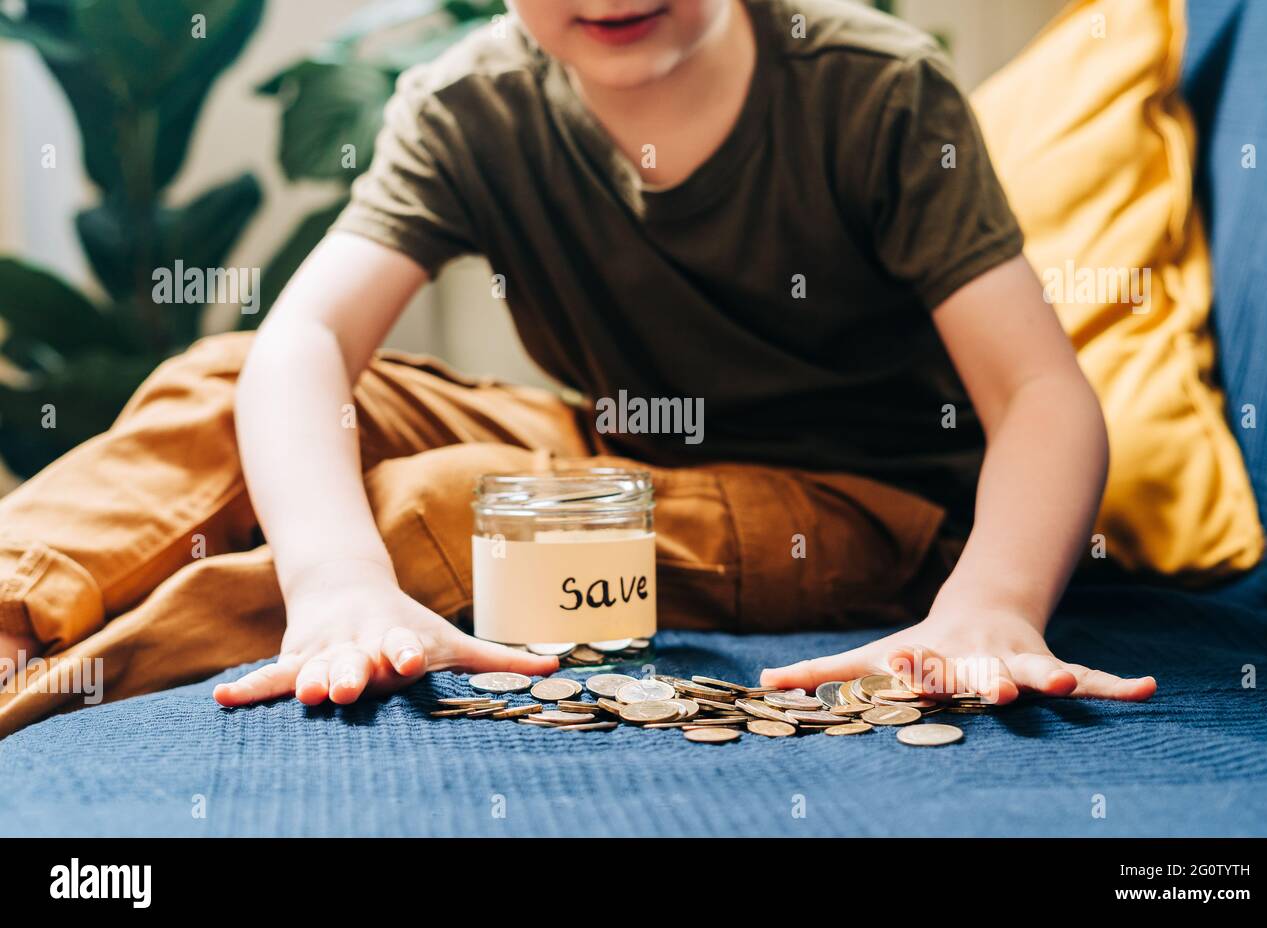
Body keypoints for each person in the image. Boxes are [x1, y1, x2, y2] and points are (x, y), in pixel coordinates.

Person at [0, 0, 1154, 729]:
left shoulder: (876, 88)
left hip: (857, 504)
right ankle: (11, 612)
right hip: (621, 446)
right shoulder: (467, 103)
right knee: (229, 370)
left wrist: (993, 604)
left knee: (458, 510)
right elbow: (306, 342)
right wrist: (334, 576)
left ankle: (57, 685)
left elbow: (1039, 390)